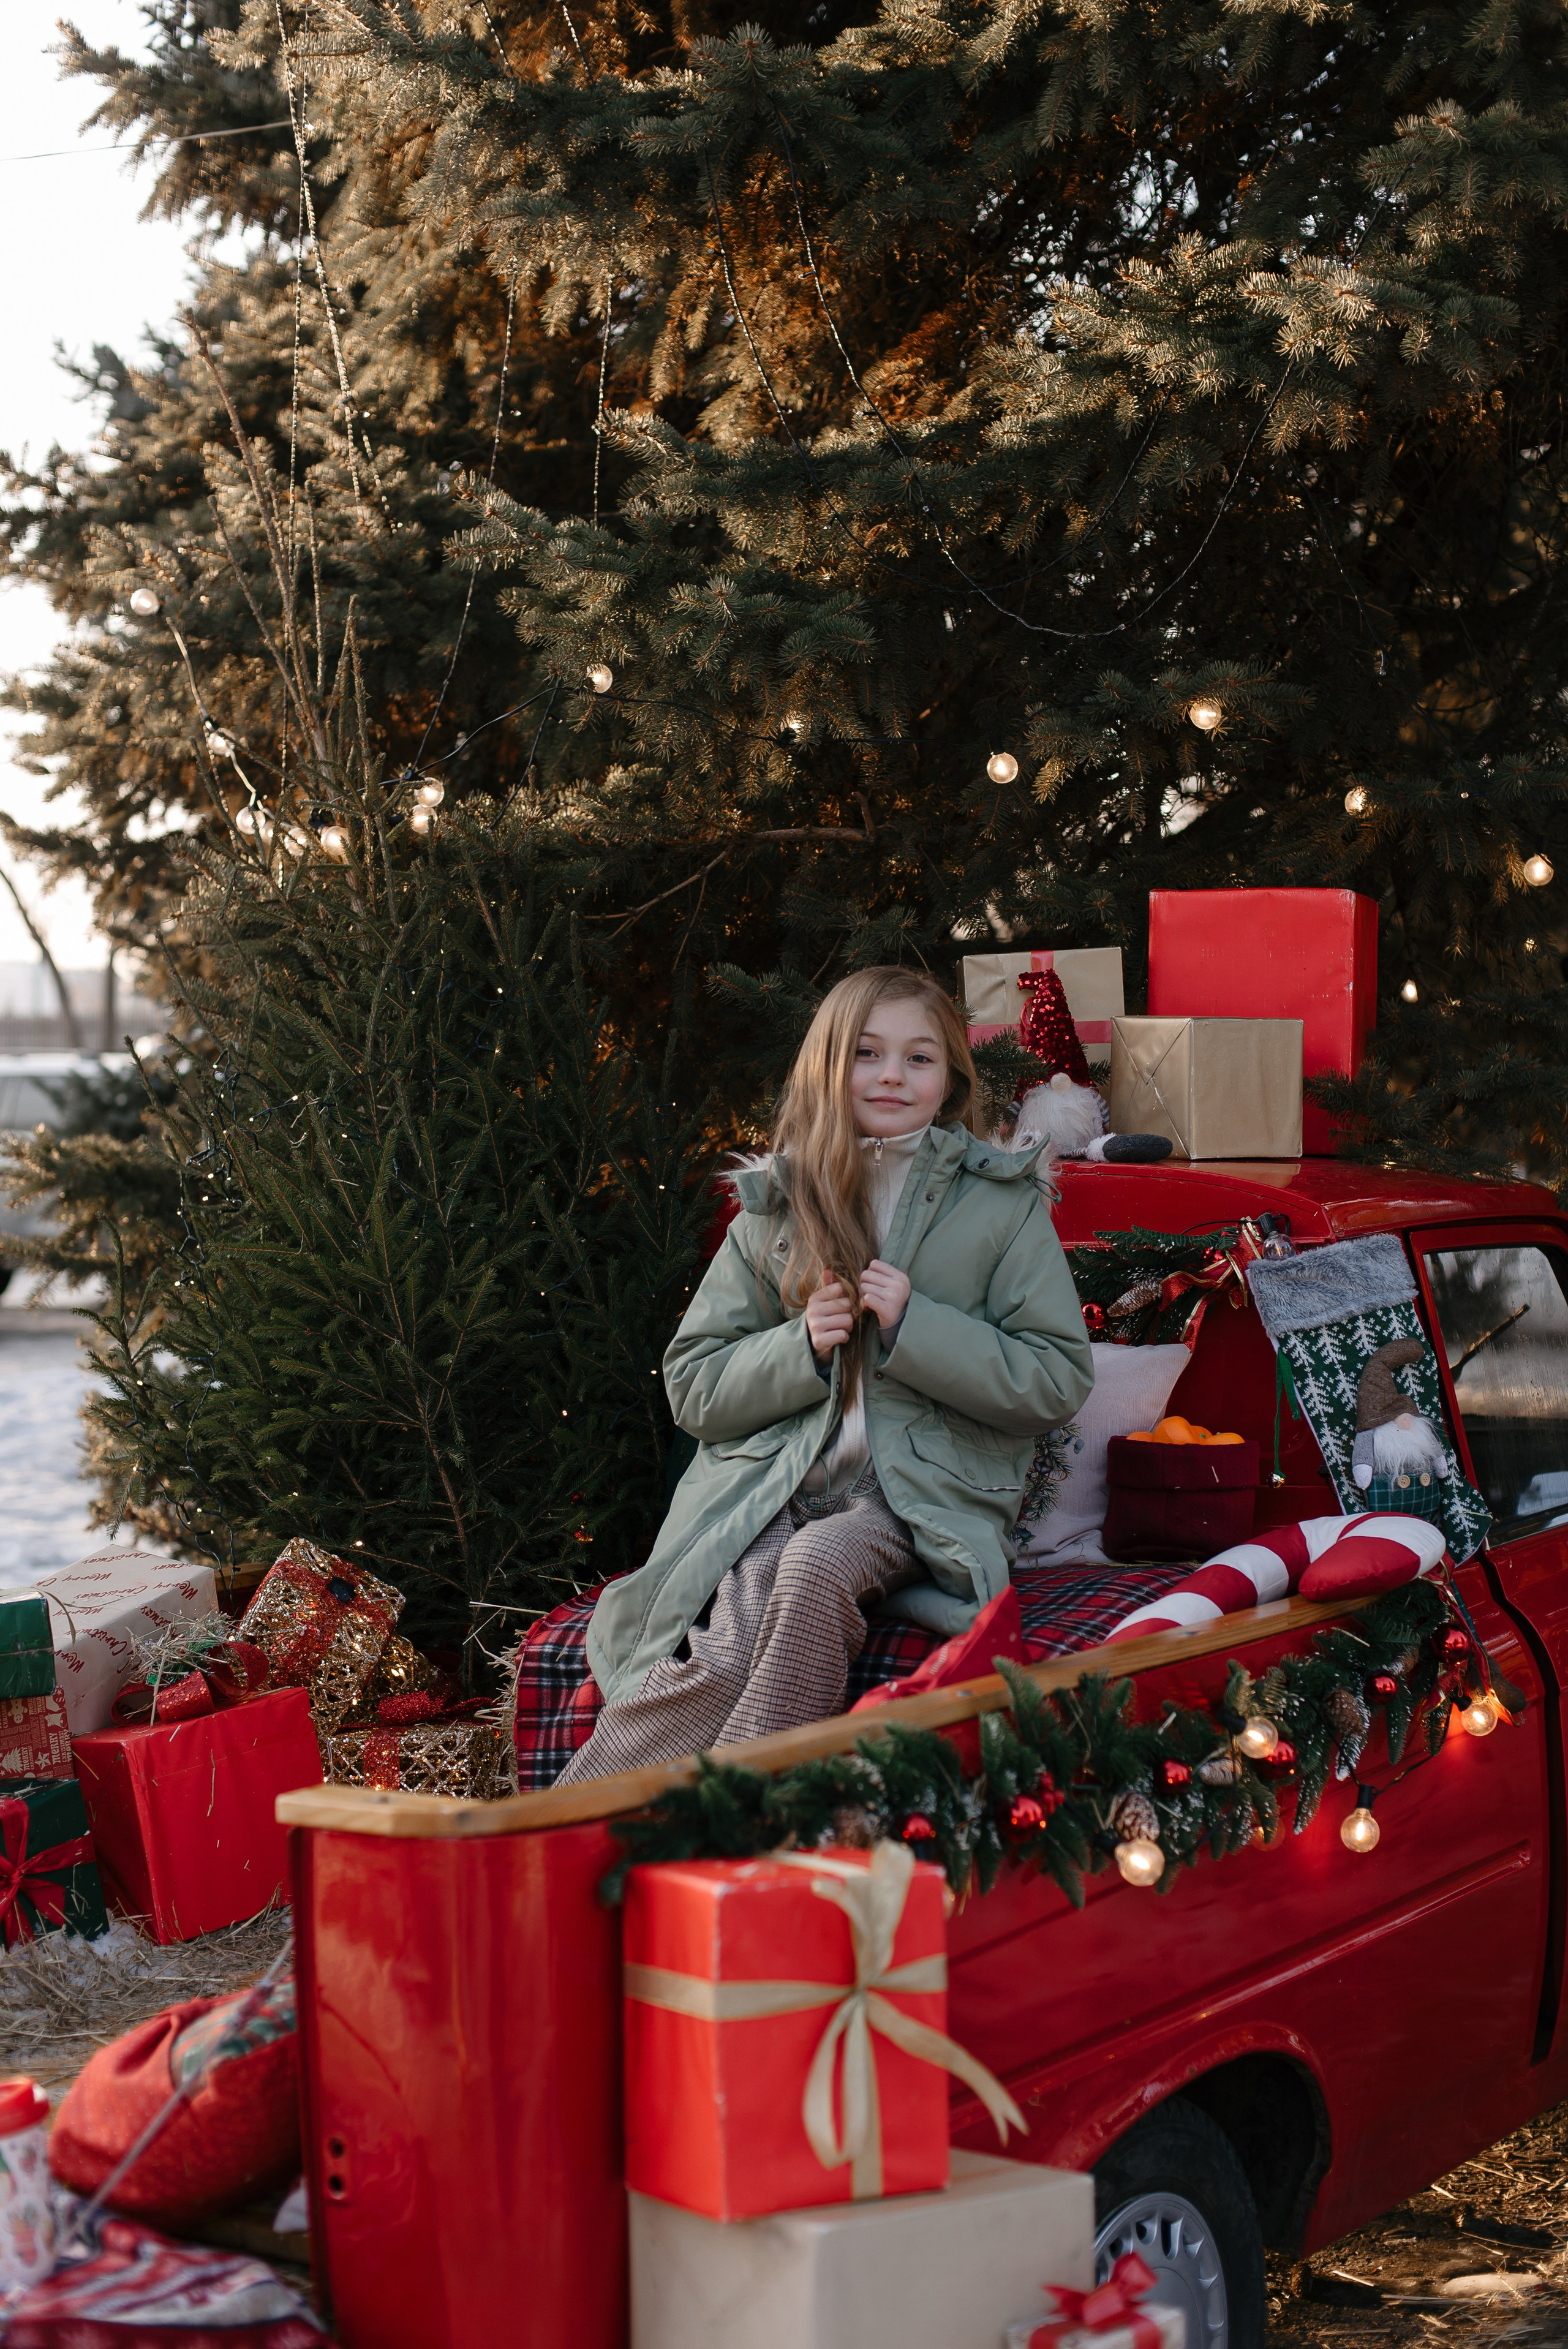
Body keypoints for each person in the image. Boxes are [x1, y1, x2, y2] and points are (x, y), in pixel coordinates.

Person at [556, 965, 1094, 1784]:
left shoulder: (999, 1205)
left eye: (919, 1058)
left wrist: (918, 1328)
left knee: (814, 1568)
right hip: (780, 1481)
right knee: (732, 1628)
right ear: (828, 1067)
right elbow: (694, 1384)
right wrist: (799, 1347)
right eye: (867, 1054)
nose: (891, 1076)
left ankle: (748, 1808)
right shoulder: (779, 1205)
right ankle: (576, 1818)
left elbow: (1055, 1378)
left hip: (912, 1492)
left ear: (951, 1079)